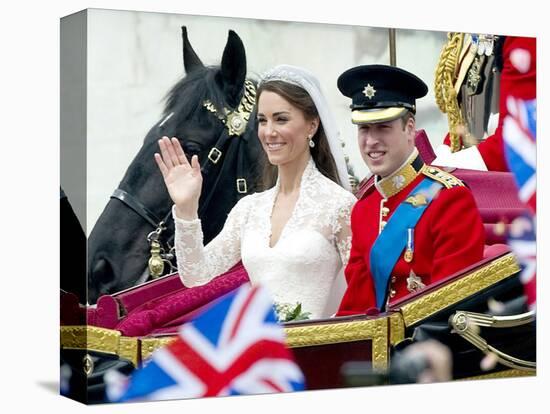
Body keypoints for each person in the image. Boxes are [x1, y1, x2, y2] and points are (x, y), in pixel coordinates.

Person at [154, 64, 356, 320]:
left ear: (312, 125)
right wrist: (186, 208)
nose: (269, 132)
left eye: (281, 119)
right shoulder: (249, 209)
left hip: (316, 352)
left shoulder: (339, 205)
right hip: (260, 353)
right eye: (262, 120)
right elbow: (196, 274)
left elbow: (359, 295)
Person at [334, 64, 485, 316]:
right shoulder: (364, 208)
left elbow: (451, 307)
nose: (371, 141)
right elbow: (357, 308)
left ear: (410, 128)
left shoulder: (450, 199)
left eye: (383, 127)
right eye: (364, 129)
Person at [433, 35, 536, 171]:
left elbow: (518, 138)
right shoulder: (472, 37)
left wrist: (452, 164)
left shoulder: (525, 40)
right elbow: (467, 120)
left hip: (506, 177)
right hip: (475, 166)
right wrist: (447, 148)